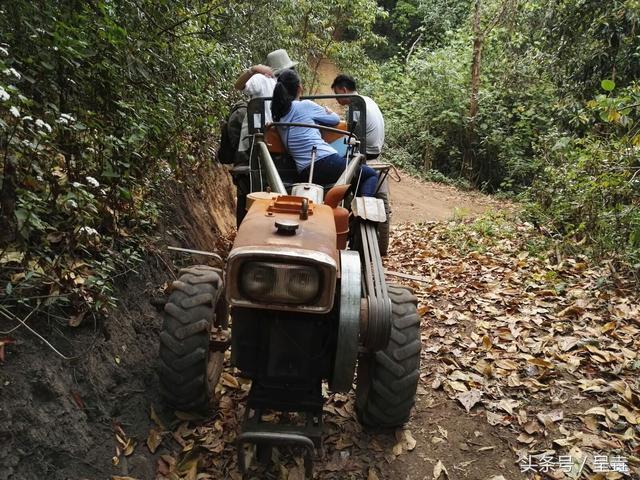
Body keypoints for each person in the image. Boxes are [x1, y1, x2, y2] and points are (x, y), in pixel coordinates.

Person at [271, 69, 378, 197]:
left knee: (352, 177)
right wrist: (328, 110)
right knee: (369, 175)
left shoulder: (277, 116)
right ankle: (362, 216)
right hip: (324, 161)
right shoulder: (305, 105)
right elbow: (335, 120)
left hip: (303, 170)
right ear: (299, 87)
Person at [231, 49, 298, 226]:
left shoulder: (289, 86)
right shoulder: (262, 80)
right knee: (251, 185)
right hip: (254, 142)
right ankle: (245, 229)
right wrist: (254, 70)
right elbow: (238, 86)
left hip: (279, 144)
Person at [331, 74, 385, 160]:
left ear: (344, 90)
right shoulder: (367, 99)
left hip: (367, 151)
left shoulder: (356, 106)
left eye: (337, 94)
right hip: (376, 149)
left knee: (328, 150)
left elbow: (352, 136)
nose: (336, 98)